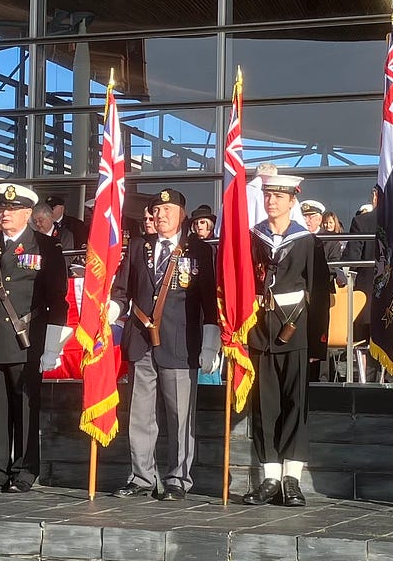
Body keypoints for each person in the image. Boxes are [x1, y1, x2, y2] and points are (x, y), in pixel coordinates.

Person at [110, 188, 219, 501]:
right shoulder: (137, 247)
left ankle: (177, 478)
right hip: (141, 341)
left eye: (167, 210)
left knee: (179, 416)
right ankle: (141, 477)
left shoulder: (197, 250)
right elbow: (122, 290)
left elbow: (208, 301)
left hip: (181, 342)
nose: (161, 216)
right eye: (156, 211)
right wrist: (111, 310)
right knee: (140, 415)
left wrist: (210, 342)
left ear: (181, 215)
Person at [0, 182, 69, 492]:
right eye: (1, 208)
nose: (4, 213)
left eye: (11, 209)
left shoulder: (46, 247)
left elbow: (57, 300)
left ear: (27, 212)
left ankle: (24, 470)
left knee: (25, 407)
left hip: (26, 340)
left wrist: (52, 346)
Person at [241, 174, 331, 508]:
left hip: (295, 332)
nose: (272, 201)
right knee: (264, 408)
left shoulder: (307, 240)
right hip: (260, 332)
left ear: (292, 201)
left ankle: (292, 479)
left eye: (279, 196)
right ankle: (269, 478)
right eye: (268, 195)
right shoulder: (253, 237)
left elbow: (320, 294)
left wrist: (318, 345)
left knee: (296, 406)